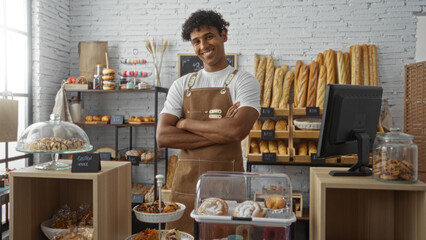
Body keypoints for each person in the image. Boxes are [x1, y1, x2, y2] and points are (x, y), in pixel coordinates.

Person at [156, 9, 260, 234]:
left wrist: (185, 124)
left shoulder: (245, 82)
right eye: (196, 41)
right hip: (186, 188)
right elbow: (163, 136)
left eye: (209, 36)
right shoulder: (181, 85)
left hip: (228, 189)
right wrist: (219, 131)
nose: (203, 45)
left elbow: (236, 130)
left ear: (224, 35)